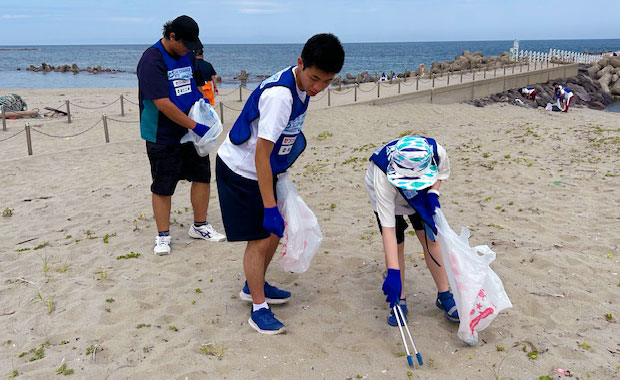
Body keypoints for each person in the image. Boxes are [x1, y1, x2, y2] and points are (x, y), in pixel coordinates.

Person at [215, 33, 345, 335]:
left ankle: (254, 284)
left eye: (327, 82)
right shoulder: (280, 97)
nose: (317, 88)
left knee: (275, 230)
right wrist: (270, 206)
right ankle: (257, 308)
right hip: (241, 169)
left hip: (266, 169)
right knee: (260, 238)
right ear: (300, 63)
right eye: (314, 79)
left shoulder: (302, 87)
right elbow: (261, 155)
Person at [137, 15, 225, 256]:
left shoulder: (187, 55)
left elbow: (196, 84)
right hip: (162, 133)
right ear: (171, 36)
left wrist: (204, 110)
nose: (188, 49)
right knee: (163, 185)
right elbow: (162, 103)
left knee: (202, 176)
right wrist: (194, 125)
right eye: (185, 43)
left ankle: (200, 225)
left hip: (191, 131)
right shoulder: (151, 59)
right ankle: (163, 236)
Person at [365, 135, 459, 326]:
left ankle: (444, 294)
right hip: (390, 196)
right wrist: (392, 272)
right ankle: (400, 300)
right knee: (397, 244)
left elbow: (440, 174)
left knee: (430, 238)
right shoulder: (382, 175)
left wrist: (433, 192)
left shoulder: (437, 152)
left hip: (422, 191)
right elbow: (389, 231)